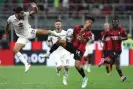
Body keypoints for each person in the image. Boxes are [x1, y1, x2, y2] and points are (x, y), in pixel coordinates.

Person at [4, 2, 58, 73]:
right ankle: (27, 64)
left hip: (29, 31)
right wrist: (6, 33)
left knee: (44, 32)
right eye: (21, 13)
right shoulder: (11, 19)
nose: (23, 14)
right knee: (15, 50)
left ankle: (57, 34)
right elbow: (7, 26)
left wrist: (35, 7)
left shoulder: (26, 14)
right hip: (22, 37)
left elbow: (36, 12)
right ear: (17, 14)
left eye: (23, 13)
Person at [44, 17, 95, 88]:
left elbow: (84, 42)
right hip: (72, 46)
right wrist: (69, 42)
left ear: (91, 25)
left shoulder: (89, 33)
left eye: (90, 23)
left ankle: (84, 78)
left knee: (77, 66)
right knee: (60, 41)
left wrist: (81, 34)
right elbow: (73, 37)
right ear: (86, 21)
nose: (88, 23)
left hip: (80, 49)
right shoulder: (77, 27)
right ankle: (48, 54)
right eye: (88, 21)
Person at [41, 20, 71, 85]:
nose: (58, 25)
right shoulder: (51, 33)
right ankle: (57, 70)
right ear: (55, 25)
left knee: (67, 67)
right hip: (56, 52)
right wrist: (49, 45)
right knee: (60, 67)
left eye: (59, 24)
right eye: (56, 24)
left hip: (64, 50)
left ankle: (64, 80)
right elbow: (48, 42)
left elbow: (69, 41)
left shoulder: (65, 33)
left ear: (61, 25)